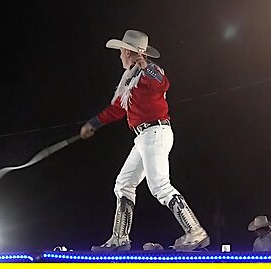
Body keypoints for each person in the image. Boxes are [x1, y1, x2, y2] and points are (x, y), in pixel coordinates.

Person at [80, 29, 209, 252]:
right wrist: (93, 123)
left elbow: (162, 84)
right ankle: (120, 239)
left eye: (122, 51)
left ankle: (195, 232)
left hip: (155, 133)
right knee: (124, 183)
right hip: (144, 137)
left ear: (129, 52)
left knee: (160, 186)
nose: (120, 55)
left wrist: (145, 66)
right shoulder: (130, 79)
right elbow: (117, 110)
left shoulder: (150, 73)